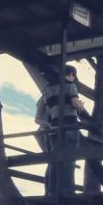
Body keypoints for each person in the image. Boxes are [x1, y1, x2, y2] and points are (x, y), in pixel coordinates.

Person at [43, 64, 86, 194]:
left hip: (54, 128)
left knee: (54, 161)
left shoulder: (47, 90)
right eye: (69, 74)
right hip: (69, 126)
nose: (71, 77)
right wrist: (81, 107)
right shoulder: (71, 87)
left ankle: (52, 190)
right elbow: (74, 103)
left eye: (73, 75)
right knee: (69, 160)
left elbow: (48, 113)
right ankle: (67, 190)